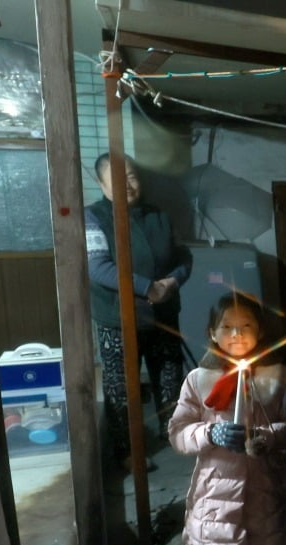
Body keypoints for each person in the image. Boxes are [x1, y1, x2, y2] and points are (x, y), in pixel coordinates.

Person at [168, 292, 286, 545]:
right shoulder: (199, 379)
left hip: (266, 483)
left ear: (260, 332)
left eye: (246, 326)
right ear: (212, 333)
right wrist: (209, 435)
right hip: (216, 487)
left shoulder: (278, 377)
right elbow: (179, 431)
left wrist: (268, 435)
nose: (237, 334)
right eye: (227, 327)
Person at [85, 153, 192, 472]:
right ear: (100, 182)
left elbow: (184, 256)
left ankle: (174, 435)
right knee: (123, 387)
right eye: (116, 178)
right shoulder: (93, 217)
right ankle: (127, 451)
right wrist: (148, 287)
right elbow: (97, 266)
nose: (127, 184)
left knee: (170, 378)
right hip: (119, 318)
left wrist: (172, 282)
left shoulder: (158, 215)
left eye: (131, 176)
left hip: (163, 313)